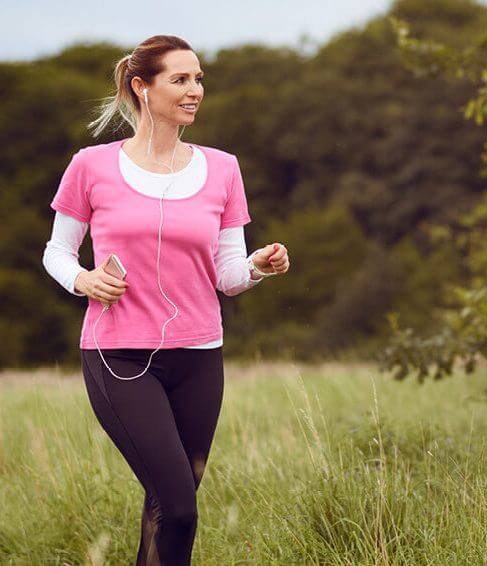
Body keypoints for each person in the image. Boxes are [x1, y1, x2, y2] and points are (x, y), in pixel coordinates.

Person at [41, 35, 290, 565]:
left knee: (166, 507)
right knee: (178, 508)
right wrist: (83, 279)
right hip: (119, 355)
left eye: (198, 79)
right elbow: (56, 252)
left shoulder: (223, 168)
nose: (195, 90)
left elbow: (227, 275)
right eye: (180, 79)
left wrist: (257, 266)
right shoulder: (91, 166)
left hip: (199, 357)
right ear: (142, 86)